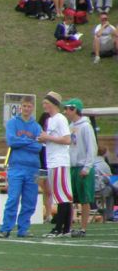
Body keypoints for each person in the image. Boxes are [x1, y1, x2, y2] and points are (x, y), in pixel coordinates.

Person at [0, 96, 42, 238]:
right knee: (13, 198)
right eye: (24, 106)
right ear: (20, 107)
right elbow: (11, 141)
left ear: (33, 108)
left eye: (29, 106)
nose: (27, 109)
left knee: (30, 201)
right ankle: (6, 228)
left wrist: (22, 142)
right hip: (16, 167)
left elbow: (39, 146)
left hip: (33, 168)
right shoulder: (12, 123)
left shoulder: (36, 126)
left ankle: (23, 229)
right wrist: (29, 140)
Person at [37, 92, 72, 237]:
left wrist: (48, 137)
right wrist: (44, 140)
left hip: (60, 161)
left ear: (53, 104)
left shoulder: (60, 119)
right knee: (60, 195)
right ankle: (65, 229)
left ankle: (60, 228)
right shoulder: (50, 120)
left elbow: (67, 139)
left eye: (46, 102)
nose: (44, 105)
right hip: (52, 161)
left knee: (62, 196)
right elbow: (52, 139)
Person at [63, 98, 96, 237]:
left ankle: (83, 228)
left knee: (84, 199)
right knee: (71, 198)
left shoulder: (86, 127)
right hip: (72, 166)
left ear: (75, 109)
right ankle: (69, 227)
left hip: (82, 166)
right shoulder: (70, 126)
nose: (65, 111)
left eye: (68, 109)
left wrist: (87, 167)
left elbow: (92, 148)